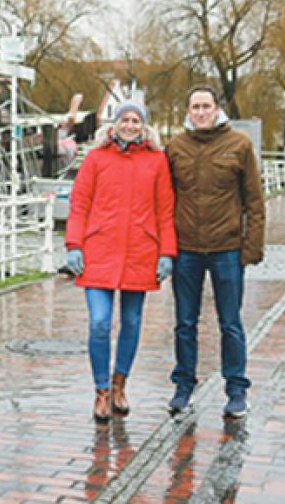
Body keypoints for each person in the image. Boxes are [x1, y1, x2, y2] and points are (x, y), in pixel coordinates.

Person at [65, 102, 177, 423]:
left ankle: (119, 385)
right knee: (100, 322)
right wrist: (74, 245)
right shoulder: (96, 159)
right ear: (114, 126)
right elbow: (79, 203)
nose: (130, 125)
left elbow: (165, 210)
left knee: (132, 323)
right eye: (125, 120)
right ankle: (100, 390)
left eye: (136, 120)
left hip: (140, 253)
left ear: (143, 126)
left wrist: (166, 252)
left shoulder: (156, 161)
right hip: (99, 251)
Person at [165, 86, 264, 419]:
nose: (201, 112)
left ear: (217, 109)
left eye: (206, 106)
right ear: (188, 111)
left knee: (231, 323)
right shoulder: (176, 147)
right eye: (195, 106)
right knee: (184, 323)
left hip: (227, 249)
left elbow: (254, 200)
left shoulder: (239, 145)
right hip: (186, 249)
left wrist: (250, 248)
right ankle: (183, 386)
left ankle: (236, 390)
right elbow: (164, 200)